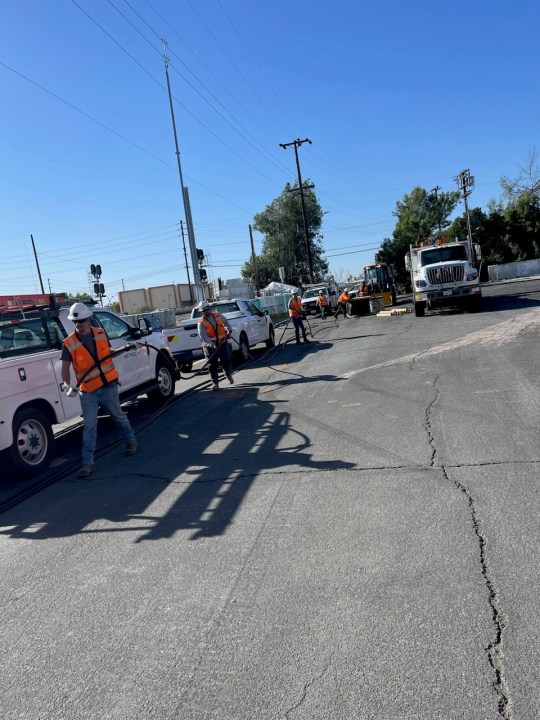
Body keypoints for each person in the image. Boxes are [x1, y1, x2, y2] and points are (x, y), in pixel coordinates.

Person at [61, 302, 137, 478]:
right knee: (89, 426)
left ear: (89, 319)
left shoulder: (101, 333)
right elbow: (65, 368)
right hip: (88, 391)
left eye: (81, 321)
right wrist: (66, 384)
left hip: (108, 386)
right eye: (75, 321)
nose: (79, 324)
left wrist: (127, 347)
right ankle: (88, 463)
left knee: (118, 416)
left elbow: (109, 353)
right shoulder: (69, 343)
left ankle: (131, 442)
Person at [197, 300, 234, 391]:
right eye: (204, 310)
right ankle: (215, 384)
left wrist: (230, 331)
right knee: (212, 365)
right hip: (210, 347)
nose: (206, 311)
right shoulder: (201, 323)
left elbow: (226, 323)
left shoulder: (218, 315)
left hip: (222, 343)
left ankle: (228, 374)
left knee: (226, 359)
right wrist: (211, 345)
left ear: (209, 308)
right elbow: (203, 336)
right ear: (201, 311)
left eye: (206, 309)